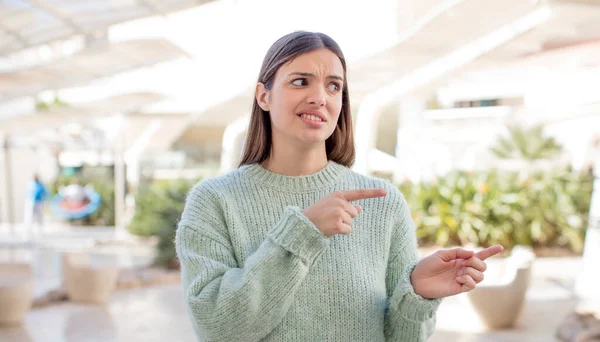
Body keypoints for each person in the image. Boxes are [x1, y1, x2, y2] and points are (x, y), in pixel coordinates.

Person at [175, 31, 503, 341]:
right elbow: (218, 329)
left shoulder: (384, 203)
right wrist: (301, 234)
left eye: (334, 87)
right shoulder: (214, 201)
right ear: (264, 95)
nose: (319, 97)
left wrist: (416, 292)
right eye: (301, 81)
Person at [24, 174, 47, 240]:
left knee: (39, 218)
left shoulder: (40, 184)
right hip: (30, 202)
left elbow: (45, 193)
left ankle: (40, 232)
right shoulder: (30, 184)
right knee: (29, 217)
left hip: (38, 202)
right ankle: (28, 232)